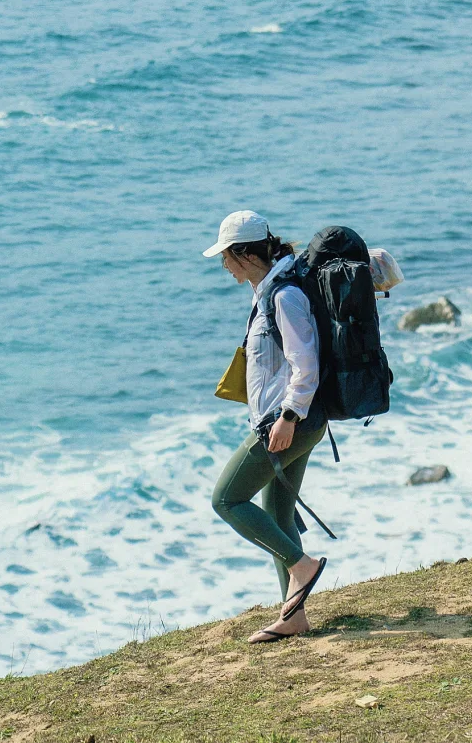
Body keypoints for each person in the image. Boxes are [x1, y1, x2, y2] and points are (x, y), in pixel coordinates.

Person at [205, 209, 328, 643]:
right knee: (277, 511)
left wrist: (289, 417)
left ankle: (303, 566)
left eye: (226, 256)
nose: (223, 265)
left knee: (227, 499)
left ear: (244, 254)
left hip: (290, 422)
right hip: (293, 421)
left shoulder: (284, 296)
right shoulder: (268, 289)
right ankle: (294, 616)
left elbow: (305, 363)